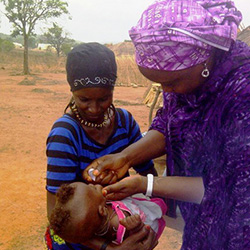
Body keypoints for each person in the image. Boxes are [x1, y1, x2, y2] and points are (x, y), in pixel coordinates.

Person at [83, 1, 250, 249]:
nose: (166, 91)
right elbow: (168, 124)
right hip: (201, 223)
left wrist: (145, 184)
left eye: (171, 82)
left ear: (204, 59)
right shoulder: (186, 83)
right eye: (158, 83)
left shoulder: (242, 94)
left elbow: (222, 187)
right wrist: (125, 158)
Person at [45, 42, 158, 250]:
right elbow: (56, 216)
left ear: (113, 90)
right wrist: (108, 248)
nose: (95, 108)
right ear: (72, 90)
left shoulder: (124, 122)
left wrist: (150, 218)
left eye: (104, 98)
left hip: (121, 231)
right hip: (80, 243)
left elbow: (148, 170)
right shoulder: (65, 135)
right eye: (84, 99)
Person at [49, 182, 167, 247]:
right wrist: (135, 226)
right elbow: (138, 236)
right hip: (146, 219)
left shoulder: (94, 224)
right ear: (102, 210)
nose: (92, 184)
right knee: (157, 210)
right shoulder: (118, 222)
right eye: (94, 189)